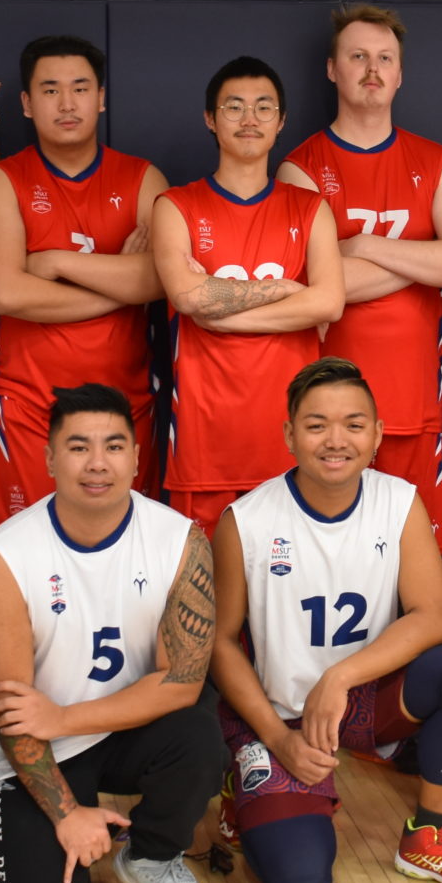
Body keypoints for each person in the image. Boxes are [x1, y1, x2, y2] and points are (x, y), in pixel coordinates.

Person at [212, 358, 442, 883]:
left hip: (363, 697)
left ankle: (430, 836)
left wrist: (340, 677)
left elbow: (432, 616)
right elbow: (222, 644)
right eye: (316, 424)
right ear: (289, 434)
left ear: (376, 434)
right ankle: (246, 788)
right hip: (280, 716)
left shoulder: (399, 502)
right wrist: (279, 740)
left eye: (353, 424)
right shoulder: (246, 520)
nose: (336, 440)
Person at [0, 384, 226, 883]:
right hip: (39, 747)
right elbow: (14, 715)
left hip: (123, 726)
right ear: (49, 457)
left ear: (136, 457)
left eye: (113, 446)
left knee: (199, 735)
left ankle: (151, 856)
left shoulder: (179, 539)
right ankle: (42, 824)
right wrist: (66, 815)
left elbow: (181, 682)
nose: (97, 464)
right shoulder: (3, 556)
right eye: (78, 446)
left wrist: (65, 716)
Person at [276, 4, 442, 552]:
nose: (372, 69)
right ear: (332, 69)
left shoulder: (433, 160)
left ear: (400, 74)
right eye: (358, 57)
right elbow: (317, 288)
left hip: (416, 405)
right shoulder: (300, 168)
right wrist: (424, 261)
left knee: (412, 566)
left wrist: (366, 247)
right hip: (331, 414)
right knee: (330, 560)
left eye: (385, 58)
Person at [0, 34, 167, 527]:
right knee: (25, 565)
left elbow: (160, 280)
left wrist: (55, 261)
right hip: (29, 407)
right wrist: (116, 285)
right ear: (26, 104)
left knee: (126, 565)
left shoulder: (143, 179)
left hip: (125, 409)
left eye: (80, 88)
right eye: (50, 89)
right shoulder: (0, 181)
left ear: (101, 98)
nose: (66, 103)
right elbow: (4, 293)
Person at [152, 57, 344, 531]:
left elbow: (327, 303)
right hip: (204, 444)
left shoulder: (310, 207)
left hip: (291, 445)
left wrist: (223, 310)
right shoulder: (176, 205)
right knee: (207, 601)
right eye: (234, 107)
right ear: (210, 119)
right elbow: (188, 296)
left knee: (286, 599)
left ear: (280, 122)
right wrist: (282, 290)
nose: (249, 119)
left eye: (263, 107)